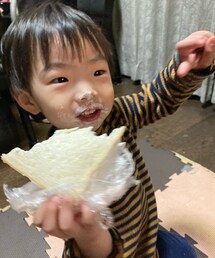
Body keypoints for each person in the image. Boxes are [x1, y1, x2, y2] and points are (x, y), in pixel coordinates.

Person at [1, 2, 215, 258]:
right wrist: (89, 233)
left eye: (97, 71)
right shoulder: (57, 175)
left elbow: (157, 99)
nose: (87, 91)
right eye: (61, 79)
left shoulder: (117, 115)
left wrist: (188, 67)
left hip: (145, 233)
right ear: (29, 101)